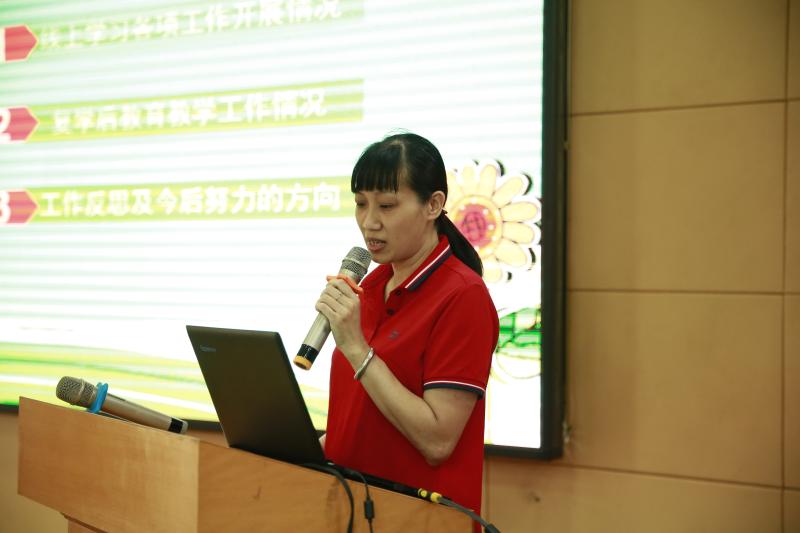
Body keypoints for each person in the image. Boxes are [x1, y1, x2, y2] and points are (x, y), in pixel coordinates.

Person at [315, 132, 499, 518]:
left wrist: (356, 348)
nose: (369, 222)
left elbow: (437, 441)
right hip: (351, 510)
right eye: (361, 204)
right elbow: (367, 418)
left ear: (433, 205)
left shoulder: (463, 295)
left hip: (419, 520)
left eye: (387, 205)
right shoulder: (370, 285)